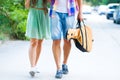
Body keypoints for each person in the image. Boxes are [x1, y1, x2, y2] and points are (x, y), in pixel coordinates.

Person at [50, 0, 83, 79]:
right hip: (55, 11)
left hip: (70, 13)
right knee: (56, 40)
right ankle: (58, 68)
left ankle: (64, 63)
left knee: (67, 39)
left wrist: (80, 12)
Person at [25, 0, 50, 77]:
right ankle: (32, 67)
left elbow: (50, 2)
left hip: (43, 14)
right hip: (33, 14)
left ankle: (35, 65)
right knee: (33, 42)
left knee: (40, 42)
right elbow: (26, 6)